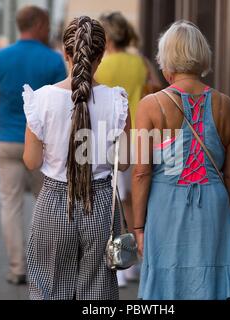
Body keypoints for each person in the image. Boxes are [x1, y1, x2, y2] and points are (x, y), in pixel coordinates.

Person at [132, 21, 230, 300]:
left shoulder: (151, 105)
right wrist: (229, 225)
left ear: (167, 60)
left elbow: (141, 172)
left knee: (167, 289)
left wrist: (138, 227)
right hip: (214, 207)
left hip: (166, 207)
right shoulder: (226, 105)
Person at [23, 16, 131, 300]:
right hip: (101, 204)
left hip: (54, 202)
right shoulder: (117, 101)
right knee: (98, 291)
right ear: (102, 55)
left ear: (65, 53)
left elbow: (32, 162)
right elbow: (126, 160)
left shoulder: (41, 99)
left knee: (48, 287)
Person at [0, 5, 67, 285]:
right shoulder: (53, 60)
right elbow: (63, 101)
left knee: (10, 205)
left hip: (6, 140)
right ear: (40, 24)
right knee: (48, 205)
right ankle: (48, 266)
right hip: (42, 146)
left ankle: (17, 267)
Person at [94, 12, 149, 287]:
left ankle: (121, 262)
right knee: (134, 201)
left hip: (109, 138)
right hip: (142, 135)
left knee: (115, 200)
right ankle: (134, 260)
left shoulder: (102, 65)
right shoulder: (140, 62)